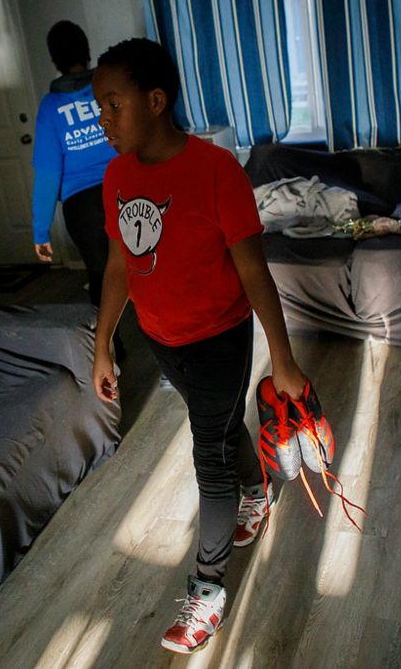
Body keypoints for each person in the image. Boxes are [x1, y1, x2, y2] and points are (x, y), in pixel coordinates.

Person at [91, 38, 309, 654]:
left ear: (156, 101)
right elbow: (117, 267)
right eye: (99, 108)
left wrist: (284, 359)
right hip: (162, 339)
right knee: (214, 424)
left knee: (206, 455)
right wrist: (103, 342)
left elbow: (254, 272)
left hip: (219, 338)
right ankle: (257, 490)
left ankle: (207, 589)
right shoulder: (116, 175)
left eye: (113, 106)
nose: (103, 121)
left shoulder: (217, 171)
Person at [31, 20, 116, 308]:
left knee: (100, 274)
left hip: (82, 206)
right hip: (124, 187)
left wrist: (41, 231)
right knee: (146, 264)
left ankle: (109, 347)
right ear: (88, 51)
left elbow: (47, 173)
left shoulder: (50, 107)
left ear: (54, 60)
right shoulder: (109, 90)